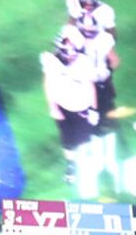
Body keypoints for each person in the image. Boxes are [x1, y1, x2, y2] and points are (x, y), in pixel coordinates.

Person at [42, 32, 99, 194]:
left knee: (82, 140)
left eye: (73, 50)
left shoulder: (83, 62)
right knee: (67, 140)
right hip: (63, 107)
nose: (71, 55)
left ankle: (86, 162)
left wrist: (93, 109)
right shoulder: (51, 61)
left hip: (82, 108)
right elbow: (48, 83)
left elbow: (90, 86)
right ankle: (71, 165)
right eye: (67, 51)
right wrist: (53, 106)